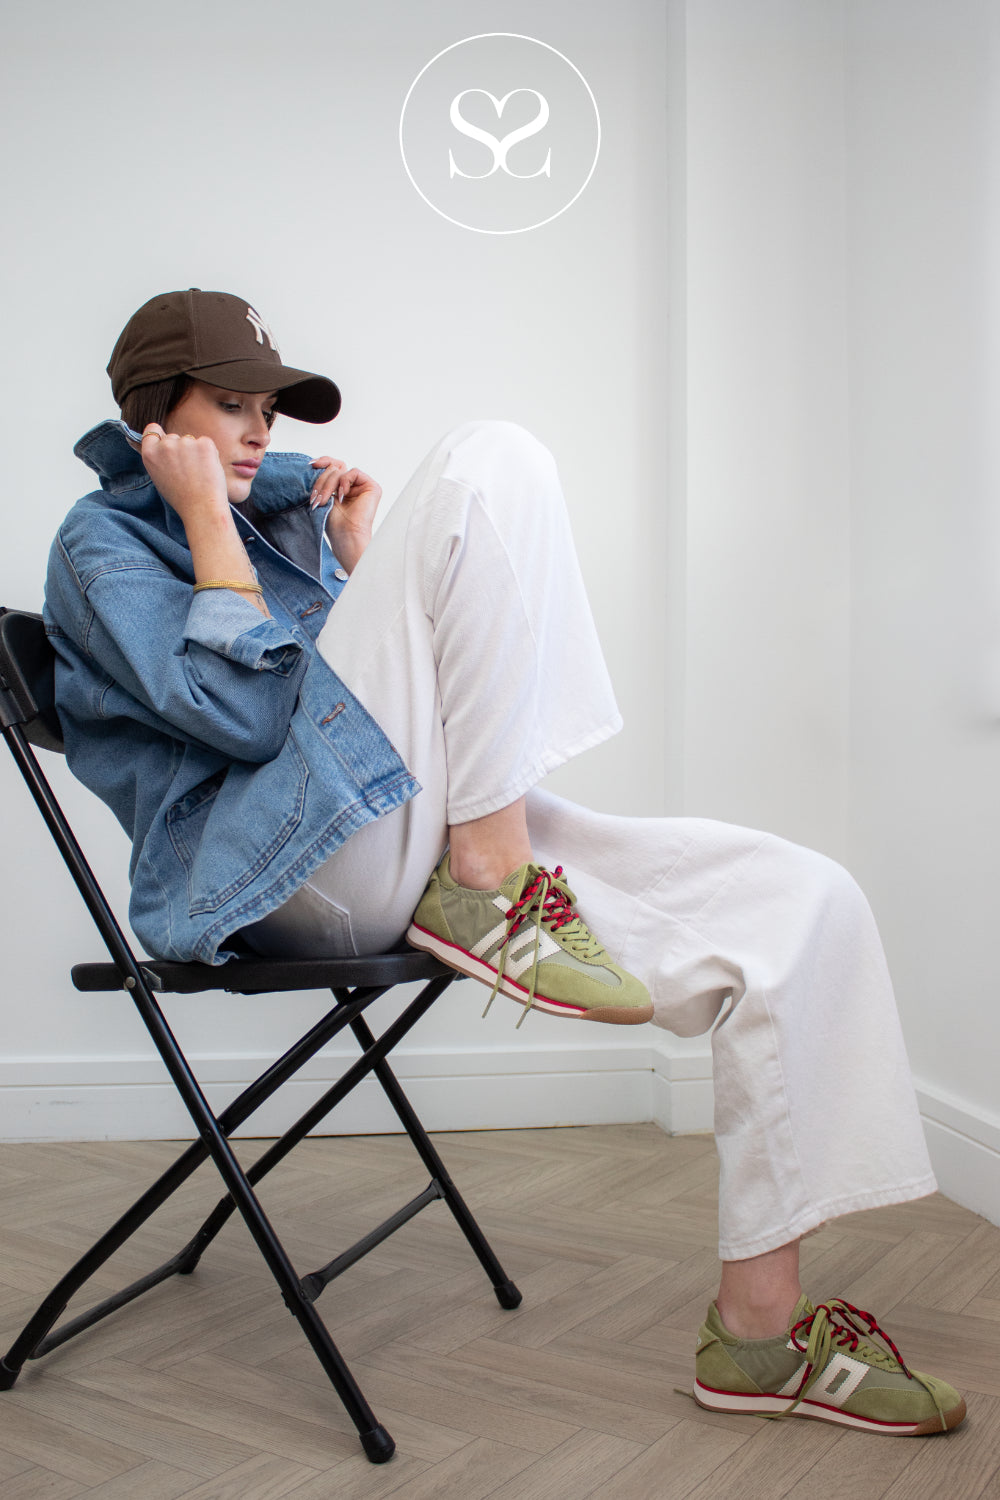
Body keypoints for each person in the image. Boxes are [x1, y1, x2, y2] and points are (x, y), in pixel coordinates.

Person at [43, 287, 965, 1436]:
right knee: (491, 460)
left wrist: (358, 567)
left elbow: (350, 710)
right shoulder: (101, 545)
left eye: (266, 410)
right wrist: (210, 525)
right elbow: (243, 719)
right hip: (275, 878)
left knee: (801, 902)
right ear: (154, 417)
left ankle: (759, 1336)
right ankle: (490, 885)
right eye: (227, 406)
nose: (256, 433)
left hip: (403, 829)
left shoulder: (285, 518)